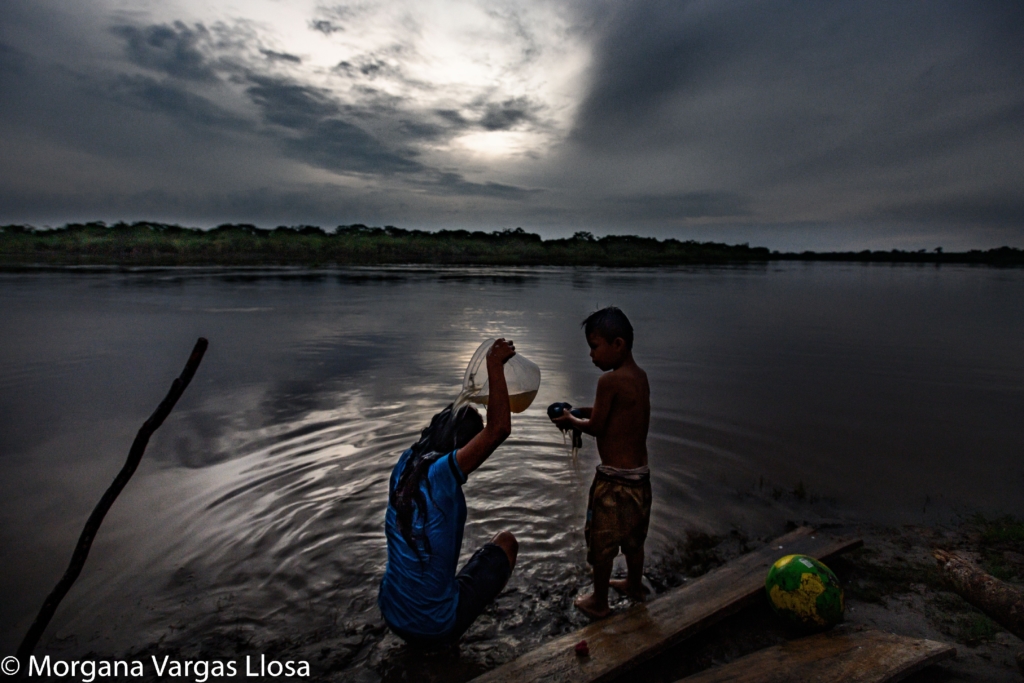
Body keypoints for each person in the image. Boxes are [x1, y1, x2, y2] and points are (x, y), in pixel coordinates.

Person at [378, 338, 519, 647]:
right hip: (435, 627)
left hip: (390, 610)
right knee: (505, 542)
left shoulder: (404, 463)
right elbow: (499, 429)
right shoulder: (442, 474)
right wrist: (495, 364)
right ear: (461, 447)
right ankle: (443, 639)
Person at [551, 307, 651, 619]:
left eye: (595, 347)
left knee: (602, 543)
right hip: (641, 479)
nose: (592, 355)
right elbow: (610, 413)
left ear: (617, 344)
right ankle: (634, 585)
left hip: (614, 483)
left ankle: (599, 602)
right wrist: (580, 410)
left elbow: (596, 427)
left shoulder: (609, 382)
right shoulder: (639, 377)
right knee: (634, 541)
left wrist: (569, 419)